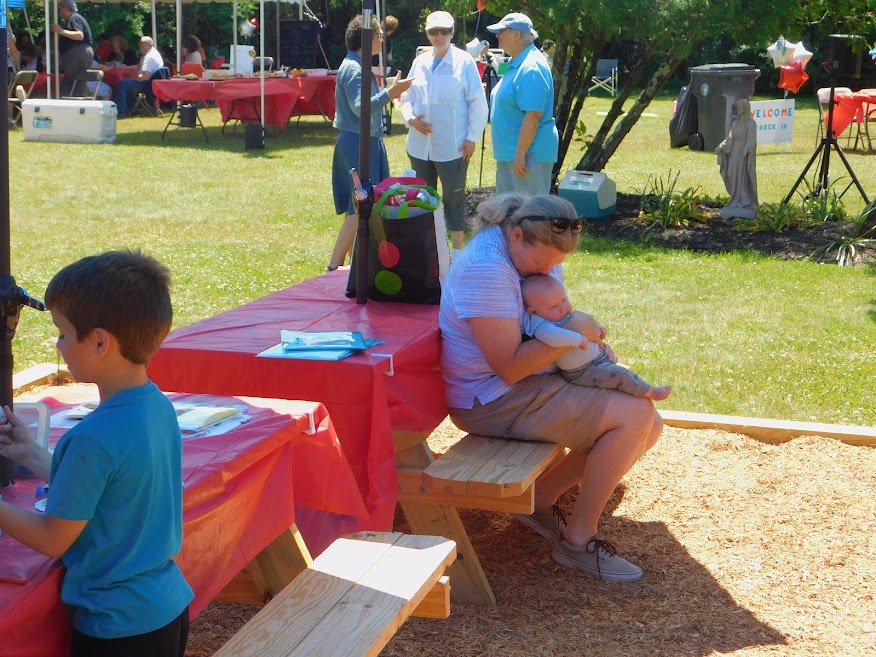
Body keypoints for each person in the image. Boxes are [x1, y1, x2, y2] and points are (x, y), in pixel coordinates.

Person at [440, 192, 663, 582]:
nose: (549, 270)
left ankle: (539, 497)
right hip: (489, 398)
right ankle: (578, 541)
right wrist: (571, 330)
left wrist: (588, 348)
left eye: (558, 263)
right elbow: (508, 368)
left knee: (651, 423)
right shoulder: (488, 269)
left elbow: (553, 317)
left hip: (528, 382)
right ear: (515, 237)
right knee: (636, 417)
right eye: (543, 261)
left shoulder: (530, 254)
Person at [0, 250, 193, 657]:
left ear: (101, 341)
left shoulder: (91, 438)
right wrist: (35, 454)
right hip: (166, 606)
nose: (58, 344)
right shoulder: (157, 404)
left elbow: (53, 537)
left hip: (117, 628)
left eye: (64, 333)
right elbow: (109, 491)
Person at [327, 15, 413, 272]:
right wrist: (391, 93)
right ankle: (333, 267)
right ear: (365, 38)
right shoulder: (355, 68)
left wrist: (388, 89)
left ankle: (355, 267)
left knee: (362, 208)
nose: (382, 38)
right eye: (378, 34)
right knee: (359, 209)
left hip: (362, 141)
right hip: (357, 143)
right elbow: (359, 108)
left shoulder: (358, 65)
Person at [400, 10, 489, 253]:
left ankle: (457, 250)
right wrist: (410, 119)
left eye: (445, 31)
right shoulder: (419, 61)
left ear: (452, 33)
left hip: (453, 146)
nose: (439, 36)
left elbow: (478, 103)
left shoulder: (464, 61)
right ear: (427, 33)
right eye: (434, 31)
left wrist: (472, 138)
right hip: (419, 146)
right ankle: (426, 249)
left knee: (454, 197)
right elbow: (406, 96)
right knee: (421, 198)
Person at [521, 274, 671, 400]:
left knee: (617, 369)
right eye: (553, 306)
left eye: (564, 300)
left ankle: (632, 386)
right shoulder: (539, 323)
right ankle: (650, 391)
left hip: (594, 361)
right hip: (581, 371)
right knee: (620, 375)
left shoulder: (560, 315)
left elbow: (583, 323)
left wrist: (597, 328)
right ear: (533, 311)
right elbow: (552, 337)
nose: (562, 308)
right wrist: (578, 339)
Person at [487, 13, 558, 196]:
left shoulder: (531, 67)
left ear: (516, 34)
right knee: (512, 216)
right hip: (513, 155)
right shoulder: (516, 63)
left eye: (501, 31)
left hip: (527, 157)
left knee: (530, 217)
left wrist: (520, 155)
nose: (497, 36)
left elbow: (533, 115)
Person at [716, 97, 759, 220]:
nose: (739, 110)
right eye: (738, 108)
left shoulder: (751, 123)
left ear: (745, 109)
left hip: (743, 153)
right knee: (731, 174)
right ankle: (734, 199)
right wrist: (721, 146)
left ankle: (743, 200)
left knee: (741, 176)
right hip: (734, 151)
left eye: (741, 108)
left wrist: (747, 148)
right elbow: (730, 138)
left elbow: (752, 139)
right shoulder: (735, 124)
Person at [114, 36, 164, 118]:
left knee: (123, 83)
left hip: (147, 84)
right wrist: (126, 67)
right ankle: (131, 108)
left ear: (145, 45)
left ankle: (122, 112)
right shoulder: (154, 53)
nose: (139, 46)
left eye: (140, 44)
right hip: (152, 83)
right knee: (127, 82)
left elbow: (145, 77)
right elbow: (139, 67)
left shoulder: (149, 57)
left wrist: (134, 78)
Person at [52, 0, 93, 96]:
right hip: (82, 53)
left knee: (70, 82)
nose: (59, 12)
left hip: (77, 53)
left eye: (59, 9)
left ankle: (68, 103)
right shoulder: (77, 18)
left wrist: (61, 31)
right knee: (79, 80)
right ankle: (80, 102)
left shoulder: (74, 18)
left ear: (65, 8)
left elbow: (79, 35)